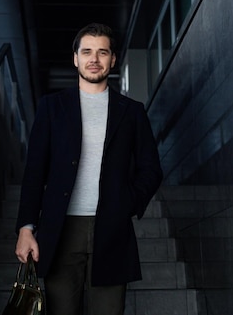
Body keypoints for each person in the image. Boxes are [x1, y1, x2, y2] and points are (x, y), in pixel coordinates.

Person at [14, 23, 163, 315]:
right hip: (61, 229)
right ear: (76, 58)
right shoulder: (51, 107)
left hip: (112, 228)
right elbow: (34, 172)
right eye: (87, 52)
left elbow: (151, 169)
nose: (94, 58)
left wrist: (126, 203)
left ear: (113, 59)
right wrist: (26, 227)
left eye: (102, 52)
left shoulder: (132, 111)